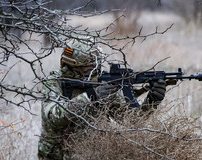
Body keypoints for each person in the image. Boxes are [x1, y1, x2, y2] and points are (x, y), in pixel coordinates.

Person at [37, 37, 167, 160]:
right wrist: (91, 97)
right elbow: (53, 117)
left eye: (96, 67)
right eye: (89, 69)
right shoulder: (54, 82)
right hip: (58, 155)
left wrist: (151, 101)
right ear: (73, 65)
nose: (95, 72)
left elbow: (131, 121)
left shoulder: (102, 85)